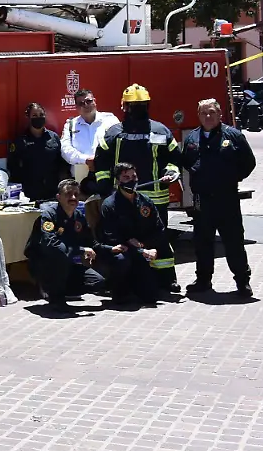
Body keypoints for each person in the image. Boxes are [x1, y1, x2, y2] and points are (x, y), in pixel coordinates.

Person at [93, 84, 183, 289]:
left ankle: (167, 279)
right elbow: (101, 161)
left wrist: (170, 171)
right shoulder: (114, 133)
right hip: (123, 200)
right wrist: (105, 186)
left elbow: (174, 158)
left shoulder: (160, 131)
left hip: (155, 198)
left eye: (141, 105)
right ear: (124, 106)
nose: (137, 109)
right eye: (134, 105)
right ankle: (132, 281)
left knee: (158, 238)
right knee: (125, 239)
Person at [181, 98, 257, 296]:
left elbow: (249, 162)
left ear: (219, 114)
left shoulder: (233, 136)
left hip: (227, 198)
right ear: (198, 115)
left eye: (212, 112)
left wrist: (232, 177)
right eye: (204, 113)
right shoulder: (192, 138)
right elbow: (187, 162)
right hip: (202, 200)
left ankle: (242, 281)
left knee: (233, 241)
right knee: (202, 242)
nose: (208, 116)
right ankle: (203, 280)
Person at [24, 179, 112, 311]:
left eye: (76, 194)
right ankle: (54, 297)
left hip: (67, 263)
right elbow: (52, 245)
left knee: (97, 281)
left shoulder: (78, 216)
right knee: (61, 257)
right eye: (68, 194)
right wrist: (81, 250)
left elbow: (90, 242)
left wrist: (111, 249)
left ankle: (63, 291)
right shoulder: (49, 215)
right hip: (45, 263)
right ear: (58, 197)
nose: (73, 197)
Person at [98, 162, 175, 301]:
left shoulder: (145, 202)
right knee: (121, 261)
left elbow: (159, 229)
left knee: (150, 296)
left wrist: (145, 245)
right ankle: (117, 290)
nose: (132, 180)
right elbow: (112, 238)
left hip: (142, 250)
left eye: (134, 176)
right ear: (118, 181)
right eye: (126, 177)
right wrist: (138, 249)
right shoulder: (110, 205)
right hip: (122, 252)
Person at [7, 102, 67, 203]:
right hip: (30, 193)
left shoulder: (53, 137)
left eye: (41, 115)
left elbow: (61, 163)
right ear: (28, 118)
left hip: (52, 190)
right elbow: (13, 166)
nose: (38, 118)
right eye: (34, 115)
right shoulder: (20, 141)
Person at [60, 89, 119, 189]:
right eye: (81, 103)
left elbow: (118, 145)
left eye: (89, 101)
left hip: (109, 178)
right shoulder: (70, 125)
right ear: (76, 106)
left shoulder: (110, 120)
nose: (86, 105)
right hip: (80, 182)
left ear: (94, 101)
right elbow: (65, 150)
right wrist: (85, 160)